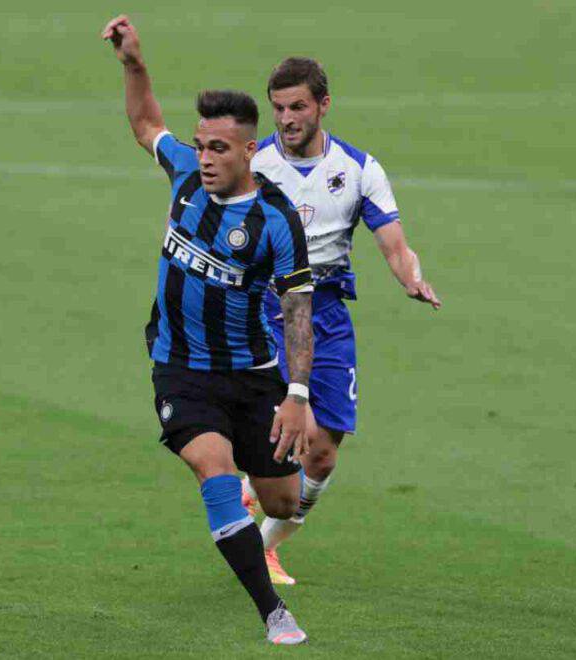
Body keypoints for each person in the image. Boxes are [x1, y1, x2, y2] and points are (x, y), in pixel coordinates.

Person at [101, 15, 316, 644]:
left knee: (282, 502)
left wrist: (297, 396)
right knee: (213, 472)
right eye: (201, 145)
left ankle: (254, 504)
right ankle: (273, 612)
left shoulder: (275, 219)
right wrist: (133, 64)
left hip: (253, 378)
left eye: (219, 148)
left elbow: (297, 310)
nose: (206, 158)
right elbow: (146, 125)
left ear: (250, 150)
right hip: (180, 370)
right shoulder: (186, 177)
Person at [244, 57, 442, 585]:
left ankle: (263, 544)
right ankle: (252, 488)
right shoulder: (255, 163)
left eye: (298, 108)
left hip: (327, 312)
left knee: (324, 456)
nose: (286, 119)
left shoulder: (358, 169)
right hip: (266, 307)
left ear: (323, 106)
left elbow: (394, 243)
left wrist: (411, 278)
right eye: (279, 108)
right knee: (293, 431)